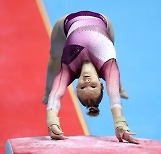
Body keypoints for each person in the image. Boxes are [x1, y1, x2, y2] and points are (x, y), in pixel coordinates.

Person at [43, 11, 138, 144]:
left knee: (55, 57)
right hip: (103, 19)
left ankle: (46, 91)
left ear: (75, 86)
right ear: (101, 84)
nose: (87, 81)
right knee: (114, 82)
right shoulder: (108, 64)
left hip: (65, 22)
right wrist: (120, 123)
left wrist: (52, 121)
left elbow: (56, 95)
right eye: (93, 86)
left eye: (82, 86)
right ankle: (118, 85)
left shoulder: (69, 69)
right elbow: (114, 98)